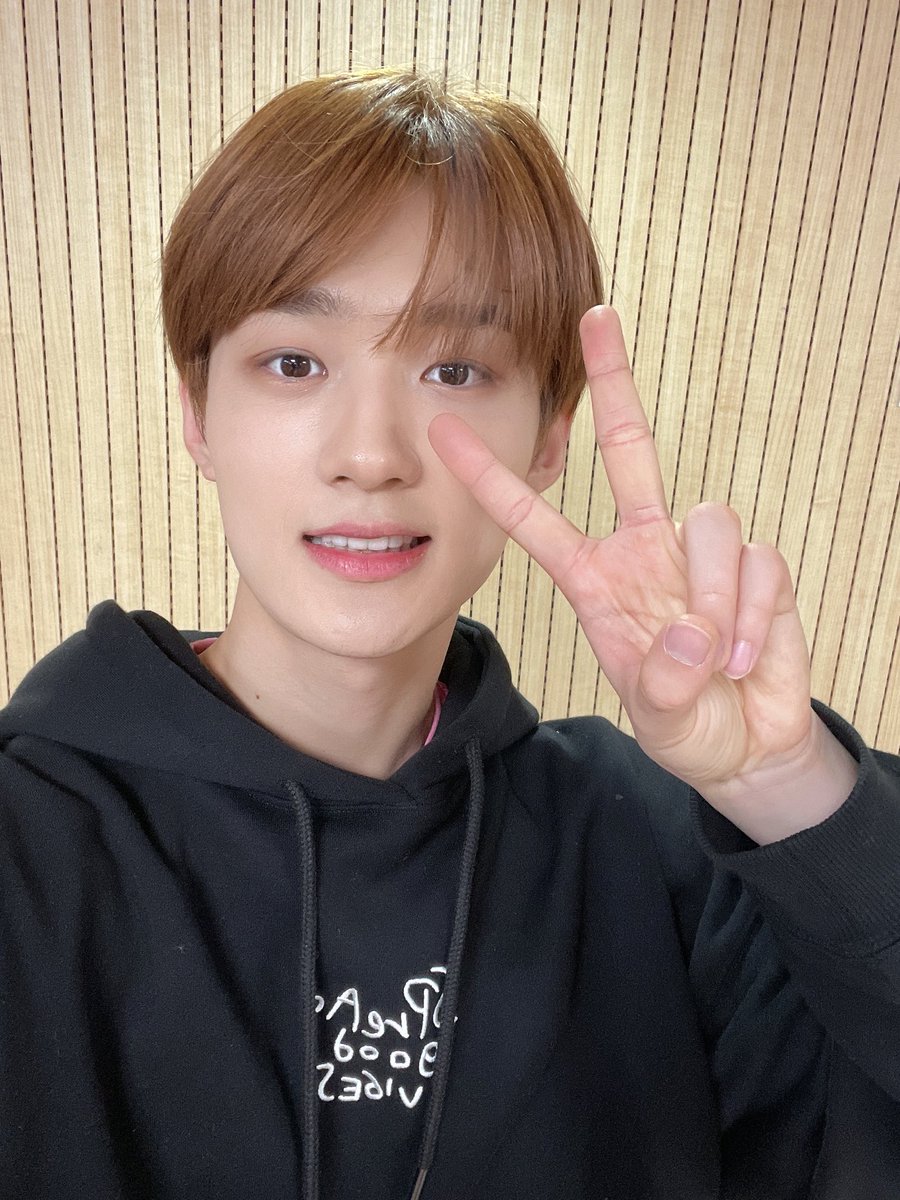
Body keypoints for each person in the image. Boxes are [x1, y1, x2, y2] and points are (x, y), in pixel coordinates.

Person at [0, 68, 897, 1200]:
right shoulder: (34, 837)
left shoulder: (661, 855)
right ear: (198, 412)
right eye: (294, 362)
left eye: (454, 369)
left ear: (550, 437)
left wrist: (786, 786)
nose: (370, 455)